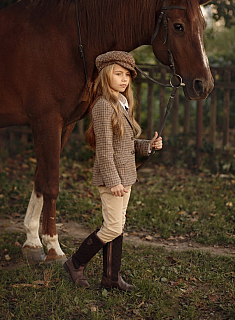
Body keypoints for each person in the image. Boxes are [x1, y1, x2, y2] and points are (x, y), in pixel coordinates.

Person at [63, 51, 162, 291]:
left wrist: (147, 145)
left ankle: (111, 278)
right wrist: (113, 181)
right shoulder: (103, 106)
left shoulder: (121, 104)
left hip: (125, 176)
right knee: (113, 227)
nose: (124, 79)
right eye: (118, 74)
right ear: (106, 75)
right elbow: (105, 150)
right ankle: (75, 263)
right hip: (113, 179)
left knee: (117, 224)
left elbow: (124, 145)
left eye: (127, 74)